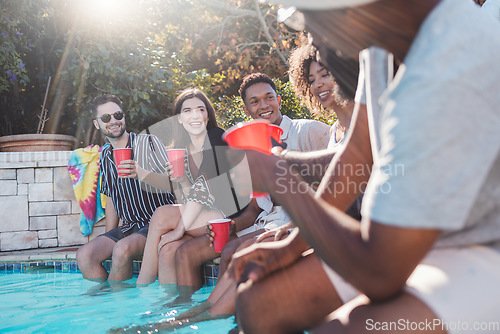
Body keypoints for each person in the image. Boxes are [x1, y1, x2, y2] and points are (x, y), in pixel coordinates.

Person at [228, 1, 500, 334]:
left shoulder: (449, 67)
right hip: (416, 236)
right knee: (259, 302)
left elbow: (380, 272)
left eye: (316, 25)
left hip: (482, 248)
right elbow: (357, 152)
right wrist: (292, 246)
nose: (320, 51)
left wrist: (277, 176)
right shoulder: (378, 43)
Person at [135, 87, 248, 285]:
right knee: (168, 250)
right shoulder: (182, 151)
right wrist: (182, 182)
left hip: (229, 219)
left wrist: (179, 229)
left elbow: (204, 187)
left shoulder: (216, 137)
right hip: (204, 215)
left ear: (207, 115)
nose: (195, 115)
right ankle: (172, 310)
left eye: (200, 109)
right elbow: (191, 199)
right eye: (187, 111)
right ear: (179, 119)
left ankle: (141, 291)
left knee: (162, 215)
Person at [76, 94, 176, 282]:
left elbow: (172, 185)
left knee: (121, 249)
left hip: (156, 224)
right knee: (84, 256)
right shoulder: (105, 154)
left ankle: (117, 306)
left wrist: (141, 173)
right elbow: (112, 196)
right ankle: (106, 302)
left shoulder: (149, 142)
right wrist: (109, 234)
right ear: (97, 124)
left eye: (118, 115)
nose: (114, 121)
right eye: (106, 118)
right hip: (130, 227)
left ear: (124, 116)